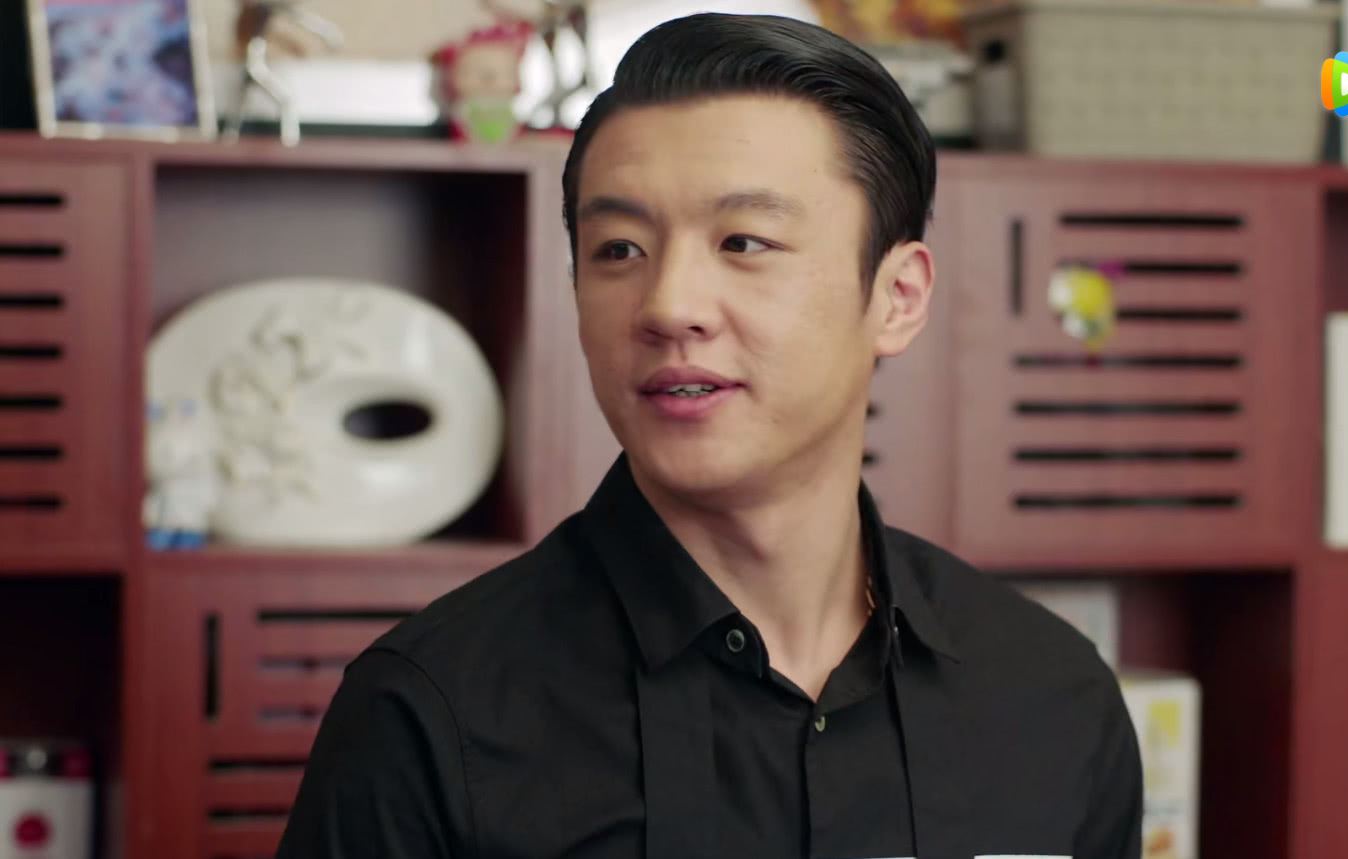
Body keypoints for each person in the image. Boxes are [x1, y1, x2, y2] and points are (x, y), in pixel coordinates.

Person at [277, 12, 1141, 859]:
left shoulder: (1051, 696)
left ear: (897, 297)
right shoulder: (429, 716)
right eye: (620, 249)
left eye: (743, 241)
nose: (669, 306)